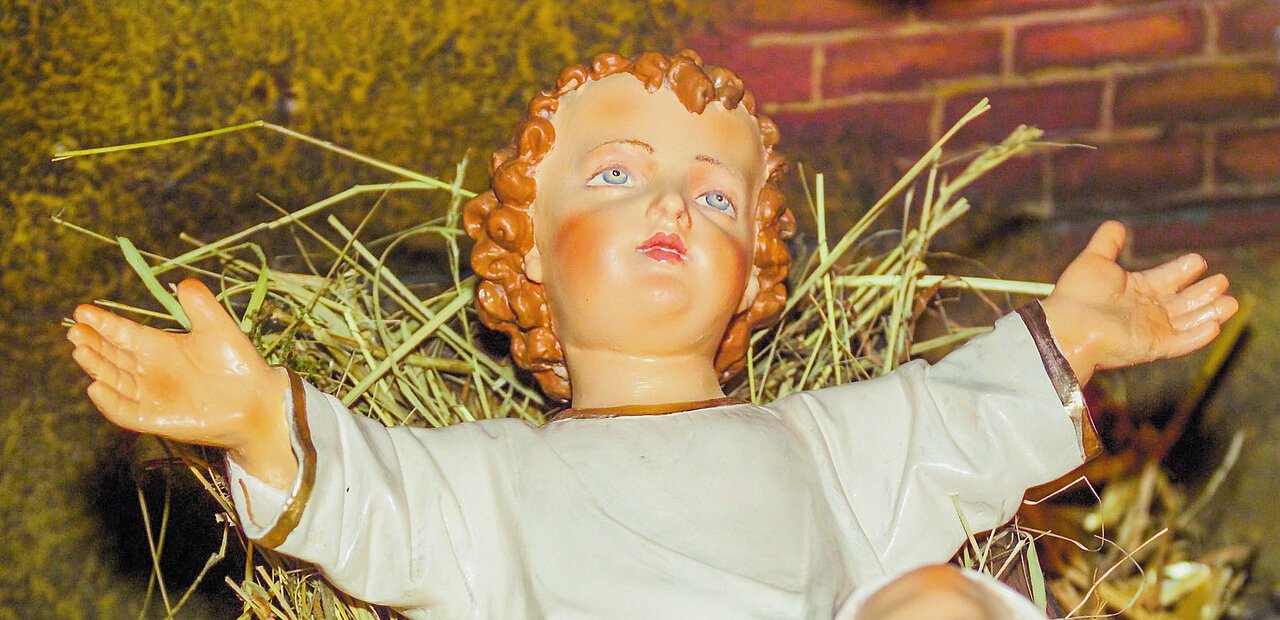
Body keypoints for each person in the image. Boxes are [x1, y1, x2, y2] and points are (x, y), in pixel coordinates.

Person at [66, 51, 1238, 619]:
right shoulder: (497, 476)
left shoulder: (816, 440)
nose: (672, 205)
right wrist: (263, 417)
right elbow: (382, 495)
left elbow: (948, 425)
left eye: (714, 195)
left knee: (940, 601)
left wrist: (1067, 335)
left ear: (750, 279)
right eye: (618, 176)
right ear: (526, 243)